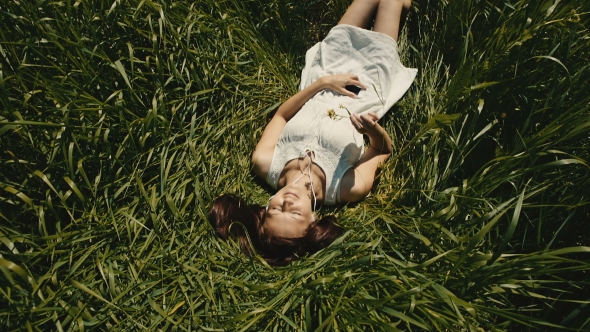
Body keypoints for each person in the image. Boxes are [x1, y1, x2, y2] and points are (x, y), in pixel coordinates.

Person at [208, 0, 417, 265]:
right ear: (313, 220)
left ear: (264, 210)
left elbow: (282, 115)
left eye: (275, 211)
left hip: (327, 69)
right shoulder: (346, 189)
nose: (287, 203)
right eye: (293, 215)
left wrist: (322, 83)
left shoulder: (264, 163)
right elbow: (382, 150)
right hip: (368, 83)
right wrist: (374, 130)